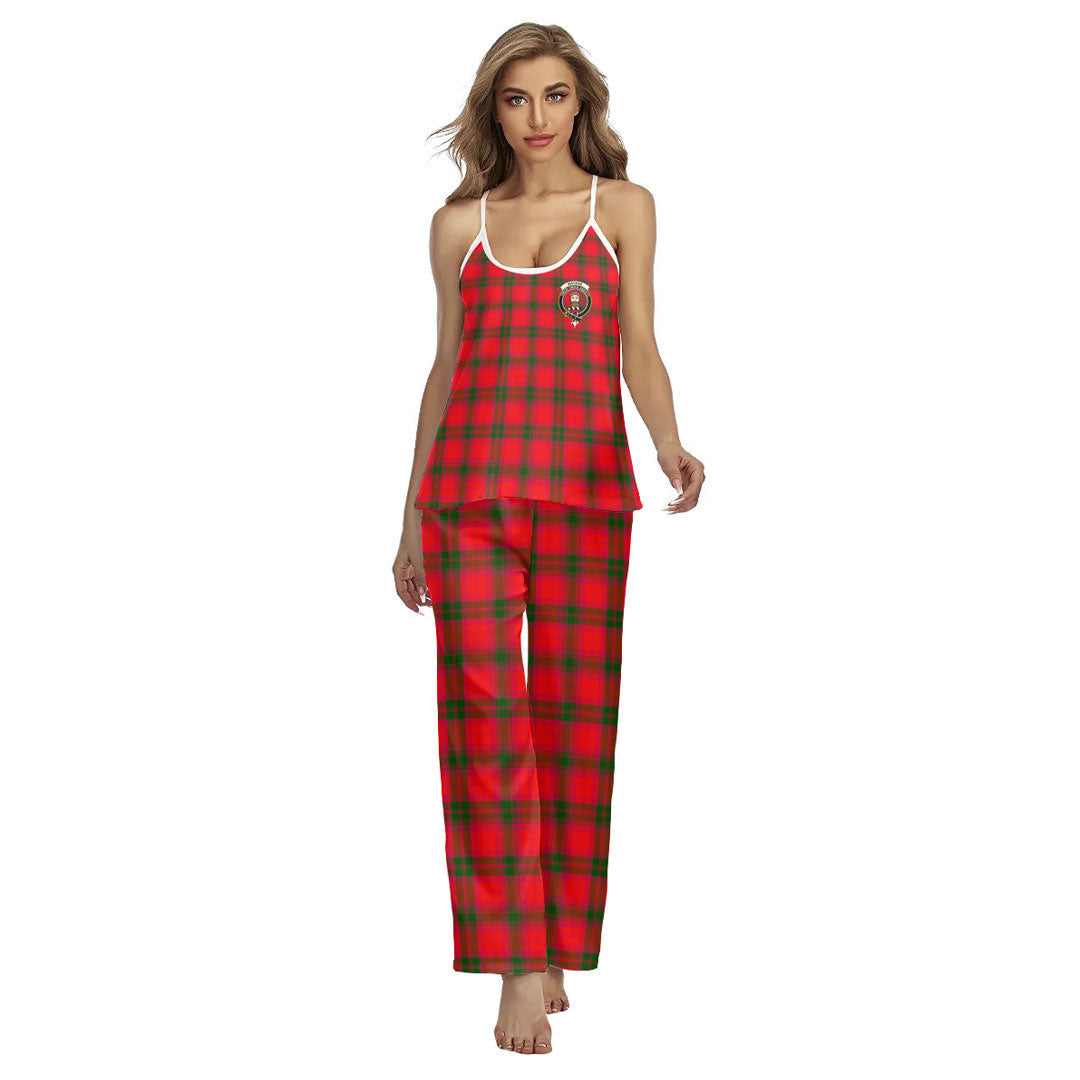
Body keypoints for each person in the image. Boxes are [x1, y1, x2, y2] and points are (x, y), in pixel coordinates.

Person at [393, 22, 705, 1055]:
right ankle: (517, 966)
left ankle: (558, 940)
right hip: (468, 500)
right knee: (483, 728)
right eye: (517, 98)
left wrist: (668, 442)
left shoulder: (623, 209)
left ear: (582, 104)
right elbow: (445, 371)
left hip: (584, 496)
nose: (537, 117)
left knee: (574, 726)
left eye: (556, 96)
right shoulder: (458, 225)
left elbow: (639, 345)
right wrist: (409, 519)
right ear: (494, 108)